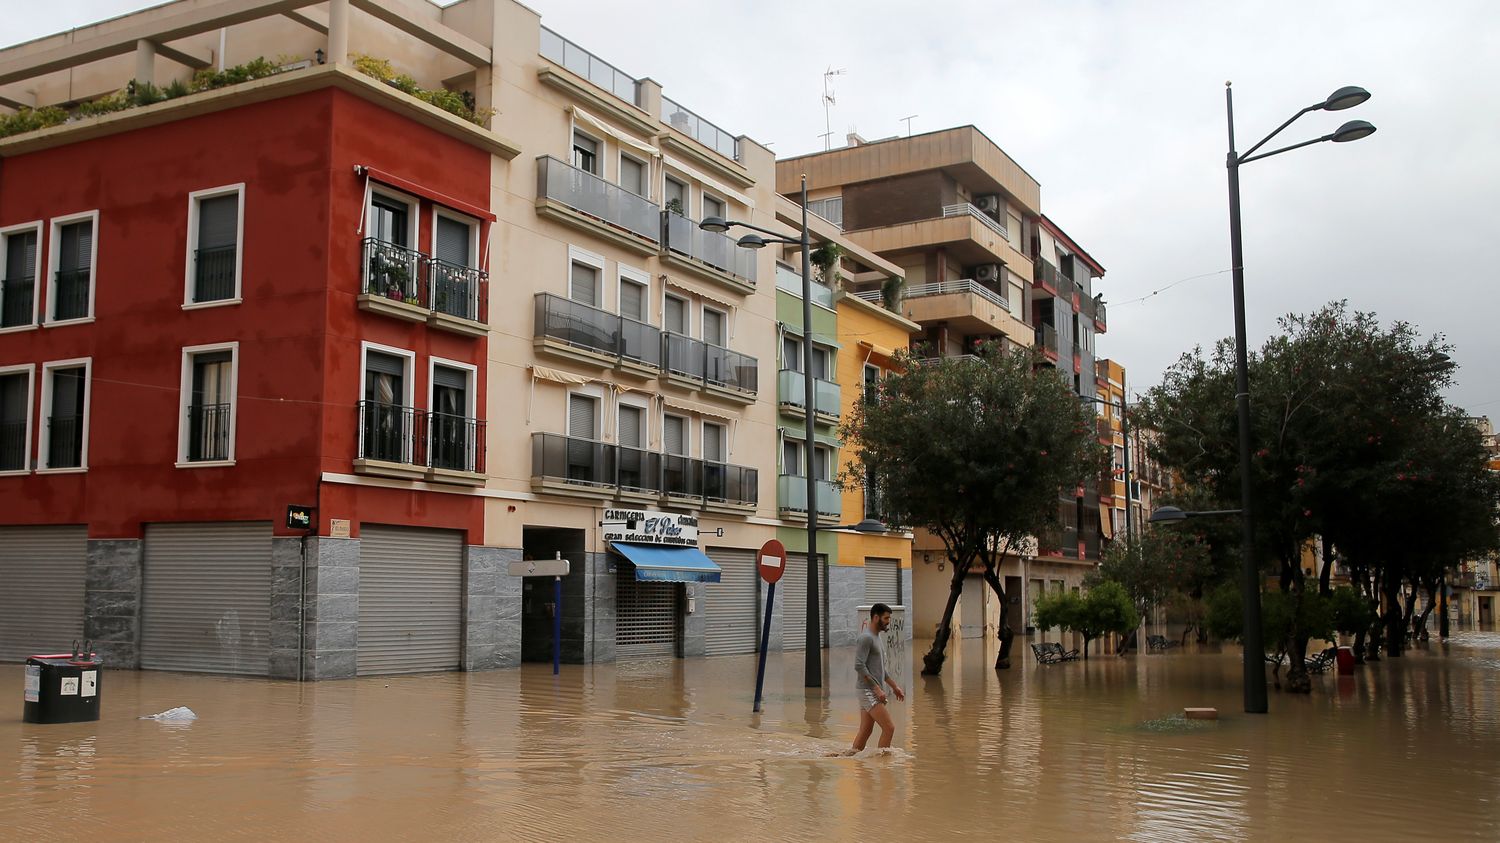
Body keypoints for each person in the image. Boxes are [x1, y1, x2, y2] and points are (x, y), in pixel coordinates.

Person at [849, 603, 904, 754]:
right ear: (875, 617)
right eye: (886, 618)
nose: (888, 621)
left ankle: (850, 758)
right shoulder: (866, 638)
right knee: (889, 728)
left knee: (865, 731)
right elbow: (859, 666)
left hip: (870, 690)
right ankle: (883, 765)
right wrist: (877, 688)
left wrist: (895, 687)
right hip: (867, 690)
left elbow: (881, 671)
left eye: (889, 618)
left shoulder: (877, 638)